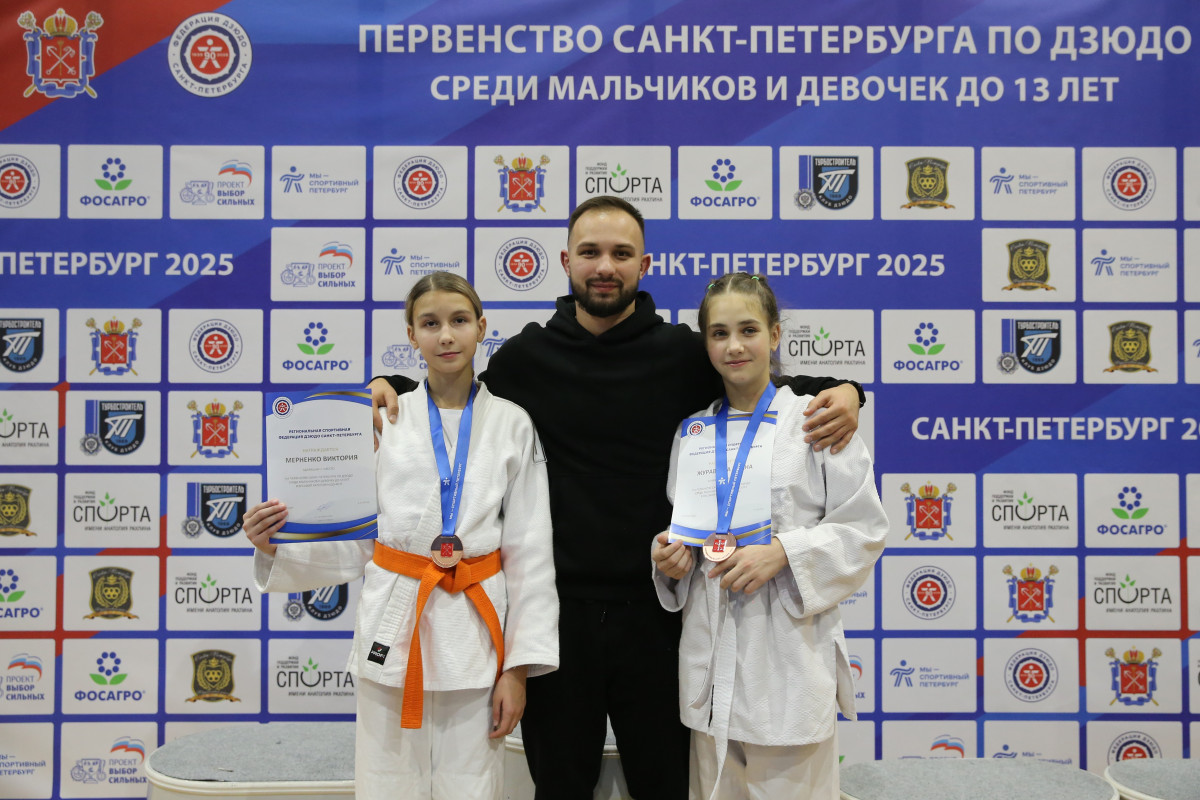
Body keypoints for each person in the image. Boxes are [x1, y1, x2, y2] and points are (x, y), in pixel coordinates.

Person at [368, 196, 865, 800]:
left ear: (644, 264)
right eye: (590, 252)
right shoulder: (526, 359)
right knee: (560, 787)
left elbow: (759, 382)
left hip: (660, 615)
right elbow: (455, 396)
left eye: (621, 254)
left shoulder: (683, 353)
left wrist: (847, 389)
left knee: (665, 786)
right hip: (559, 619)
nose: (605, 266)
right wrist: (390, 385)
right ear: (566, 261)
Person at [244, 272, 558, 800]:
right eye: (430, 324)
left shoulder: (513, 424)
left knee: (473, 789)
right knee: (385, 786)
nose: (446, 336)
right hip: (393, 628)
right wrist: (278, 544)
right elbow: (360, 538)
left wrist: (517, 671)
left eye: (459, 321)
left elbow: (531, 554)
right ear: (411, 335)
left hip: (476, 638)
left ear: (482, 327)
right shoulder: (383, 419)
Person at [651, 272, 887, 800]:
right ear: (705, 343)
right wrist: (668, 559)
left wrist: (784, 552)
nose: (734, 346)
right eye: (719, 333)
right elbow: (684, 530)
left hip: (787, 662)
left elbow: (864, 530)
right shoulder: (693, 432)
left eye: (748, 330)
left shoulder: (818, 420)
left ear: (775, 335)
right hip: (710, 666)